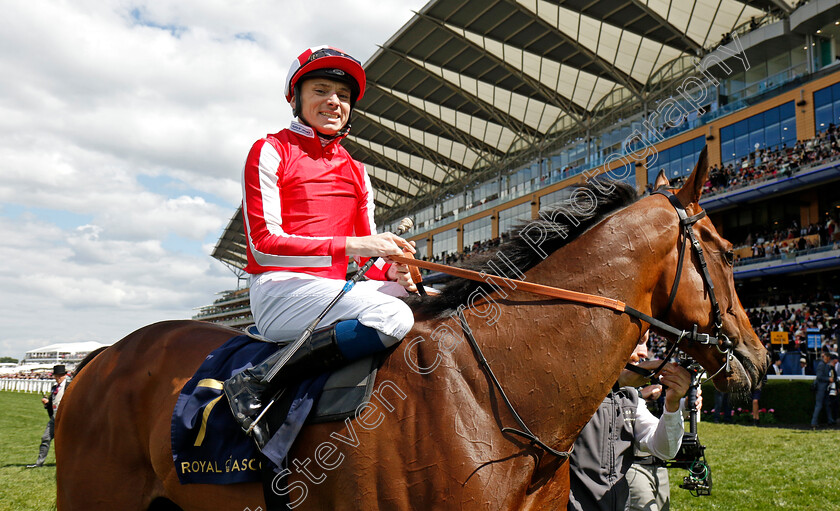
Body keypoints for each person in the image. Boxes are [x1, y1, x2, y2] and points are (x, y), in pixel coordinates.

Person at [223, 46, 417, 446]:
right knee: (393, 317)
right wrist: (354, 244)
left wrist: (395, 269)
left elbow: (370, 261)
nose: (334, 101)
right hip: (280, 289)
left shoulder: (358, 171)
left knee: (438, 300)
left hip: (335, 291)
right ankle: (260, 379)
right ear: (296, 99)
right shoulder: (270, 150)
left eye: (343, 96)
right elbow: (261, 247)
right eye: (321, 90)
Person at [568, 334, 693, 511]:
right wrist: (618, 381)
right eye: (638, 340)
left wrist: (672, 405)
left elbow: (665, 449)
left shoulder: (630, 398)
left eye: (646, 343)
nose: (644, 352)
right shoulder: (570, 390)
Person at [26, 365, 68, 468]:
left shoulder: (70, 386)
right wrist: (47, 403)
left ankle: (66, 463)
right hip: (54, 418)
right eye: (56, 376)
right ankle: (39, 463)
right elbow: (52, 403)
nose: (58, 378)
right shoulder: (54, 388)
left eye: (60, 376)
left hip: (66, 419)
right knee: (45, 438)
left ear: (64, 375)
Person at [811, 351, 835, 429]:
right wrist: (828, 379)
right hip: (821, 388)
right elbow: (819, 377)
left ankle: (830, 420)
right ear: (826, 358)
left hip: (825, 388)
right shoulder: (821, 365)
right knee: (819, 405)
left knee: (827, 404)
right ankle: (814, 422)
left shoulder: (825, 365)